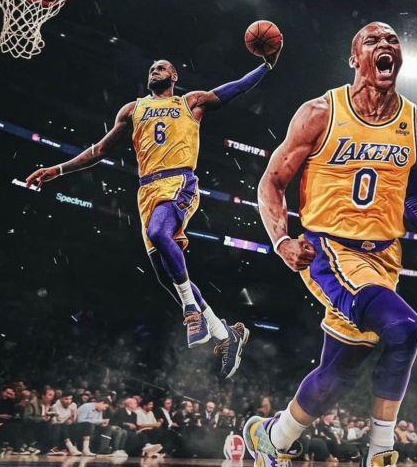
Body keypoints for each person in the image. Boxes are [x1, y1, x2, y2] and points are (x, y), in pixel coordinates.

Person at [247, 22, 417, 467]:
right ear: (354, 59)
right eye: (373, 40)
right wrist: (282, 240)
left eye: (392, 40)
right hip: (329, 249)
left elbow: (414, 193)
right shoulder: (320, 113)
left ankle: (272, 437)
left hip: (385, 257)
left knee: (339, 373)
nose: (385, 45)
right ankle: (380, 451)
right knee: (405, 329)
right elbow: (272, 181)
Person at [25, 37, 282, 379]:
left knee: (159, 233)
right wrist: (57, 170)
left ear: (174, 75)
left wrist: (265, 66)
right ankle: (225, 335)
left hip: (179, 181)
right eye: (151, 68)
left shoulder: (190, 102)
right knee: (164, 273)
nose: (154, 70)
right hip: (146, 190)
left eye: (161, 67)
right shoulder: (132, 110)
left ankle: (191, 311)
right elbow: (99, 151)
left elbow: (233, 89)